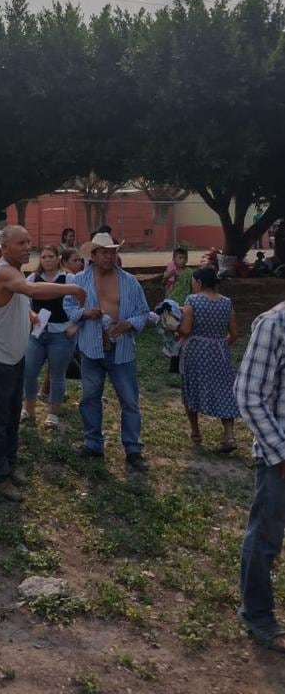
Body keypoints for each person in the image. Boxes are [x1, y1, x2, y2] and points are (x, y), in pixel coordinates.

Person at [0, 226, 85, 501]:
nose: (28, 247)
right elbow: (29, 289)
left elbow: (18, 299)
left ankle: (9, 465)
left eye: (29, 241)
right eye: (21, 243)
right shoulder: (4, 271)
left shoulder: (15, 271)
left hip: (14, 357)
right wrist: (72, 287)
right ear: (4, 248)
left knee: (12, 417)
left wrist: (28, 315)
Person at [63, 232, 151, 471]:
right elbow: (68, 307)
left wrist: (128, 323)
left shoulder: (129, 282)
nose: (109, 257)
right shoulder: (79, 281)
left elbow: (144, 312)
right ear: (93, 255)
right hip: (91, 349)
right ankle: (93, 444)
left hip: (121, 350)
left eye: (113, 252)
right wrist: (84, 313)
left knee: (130, 401)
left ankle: (133, 449)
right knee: (90, 397)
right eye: (104, 252)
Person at [235, 301, 285, 653]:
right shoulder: (275, 324)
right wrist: (282, 454)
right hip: (278, 458)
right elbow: (249, 395)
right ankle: (257, 615)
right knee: (265, 537)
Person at [176, 266, 239, 451]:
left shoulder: (192, 300)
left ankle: (195, 431)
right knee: (224, 390)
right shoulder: (227, 302)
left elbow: (186, 329)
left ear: (199, 283)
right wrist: (220, 344)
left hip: (196, 352)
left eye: (193, 282)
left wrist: (174, 328)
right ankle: (228, 435)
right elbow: (234, 333)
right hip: (220, 351)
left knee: (192, 387)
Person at [23, 244, 77, 429]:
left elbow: (83, 301)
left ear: (58, 258)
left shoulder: (68, 278)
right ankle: (29, 410)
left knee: (57, 375)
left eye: (50, 257)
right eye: (43, 257)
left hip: (61, 334)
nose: (47, 260)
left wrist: (75, 325)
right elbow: (23, 301)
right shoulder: (33, 278)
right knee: (29, 373)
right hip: (37, 334)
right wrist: (30, 314)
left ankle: (53, 414)